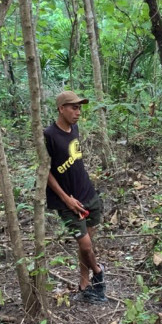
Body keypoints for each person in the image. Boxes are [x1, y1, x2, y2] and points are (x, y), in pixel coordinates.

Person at [44, 91, 106, 303]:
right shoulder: (49, 135)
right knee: (86, 245)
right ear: (61, 109)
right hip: (67, 201)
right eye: (73, 107)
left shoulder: (75, 129)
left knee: (86, 242)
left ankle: (84, 283)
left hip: (87, 193)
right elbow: (45, 172)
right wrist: (66, 199)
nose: (77, 112)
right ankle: (99, 273)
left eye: (79, 108)